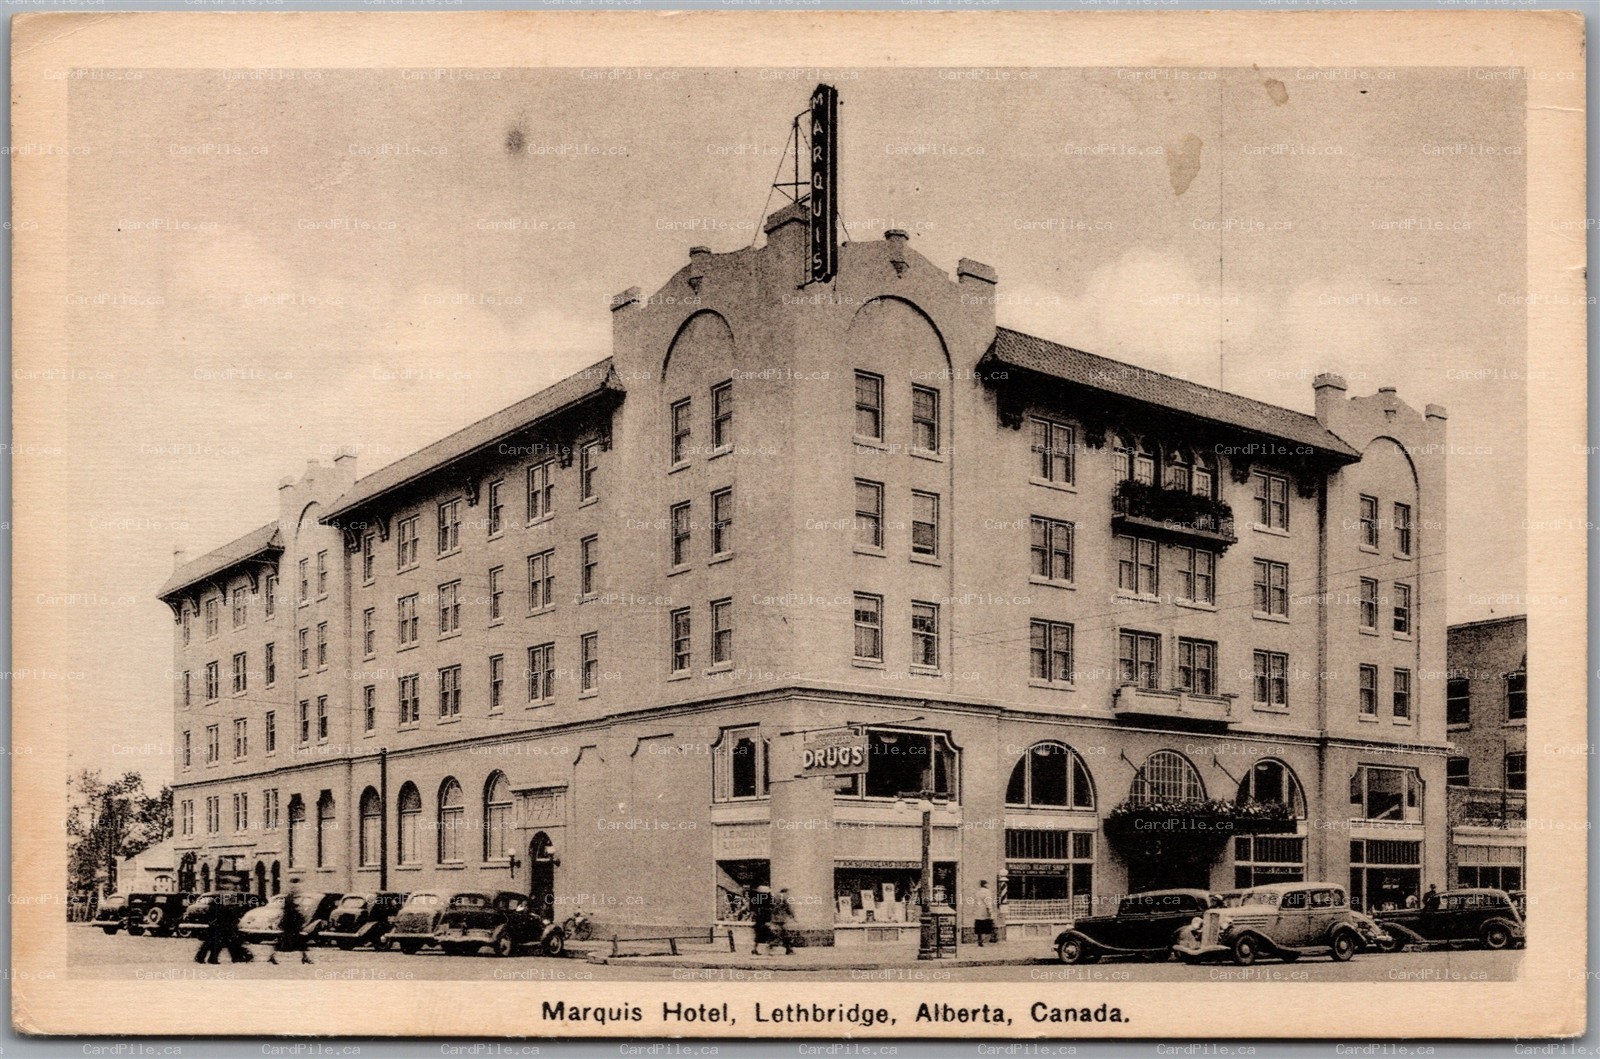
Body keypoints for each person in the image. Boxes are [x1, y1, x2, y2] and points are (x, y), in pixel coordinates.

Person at [269, 885, 312, 965]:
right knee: (295, 943)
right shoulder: (290, 901)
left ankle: (305, 957)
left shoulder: (290, 900)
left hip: (289, 926)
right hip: (290, 926)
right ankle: (272, 957)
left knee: (290, 943)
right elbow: (290, 910)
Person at [769, 888, 796, 955]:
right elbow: (788, 907)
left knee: (782, 933)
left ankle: (788, 949)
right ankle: (787, 949)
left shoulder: (775, 896)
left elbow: (771, 906)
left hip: (775, 917)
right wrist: (792, 916)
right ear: (786, 892)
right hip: (782, 918)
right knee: (785, 934)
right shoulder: (785, 897)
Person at [973, 880, 998, 947]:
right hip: (985, 912)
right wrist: (990, 911)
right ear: (985, 884)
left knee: (979, 927)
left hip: (978, 911)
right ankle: (987, 940)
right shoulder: (987, 892)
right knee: (987, 926)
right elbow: (988, 902)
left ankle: (979, 940)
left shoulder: (978, 892)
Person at [749, 885, 773, 956]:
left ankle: (755, 949)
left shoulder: (757, 900)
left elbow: (754, 910)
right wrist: (768, 920)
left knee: (758, 936)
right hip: (763, 920)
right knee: (769, 936)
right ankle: (767, 951)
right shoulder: (766, 901)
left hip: (759, 920)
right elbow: (768, 911)